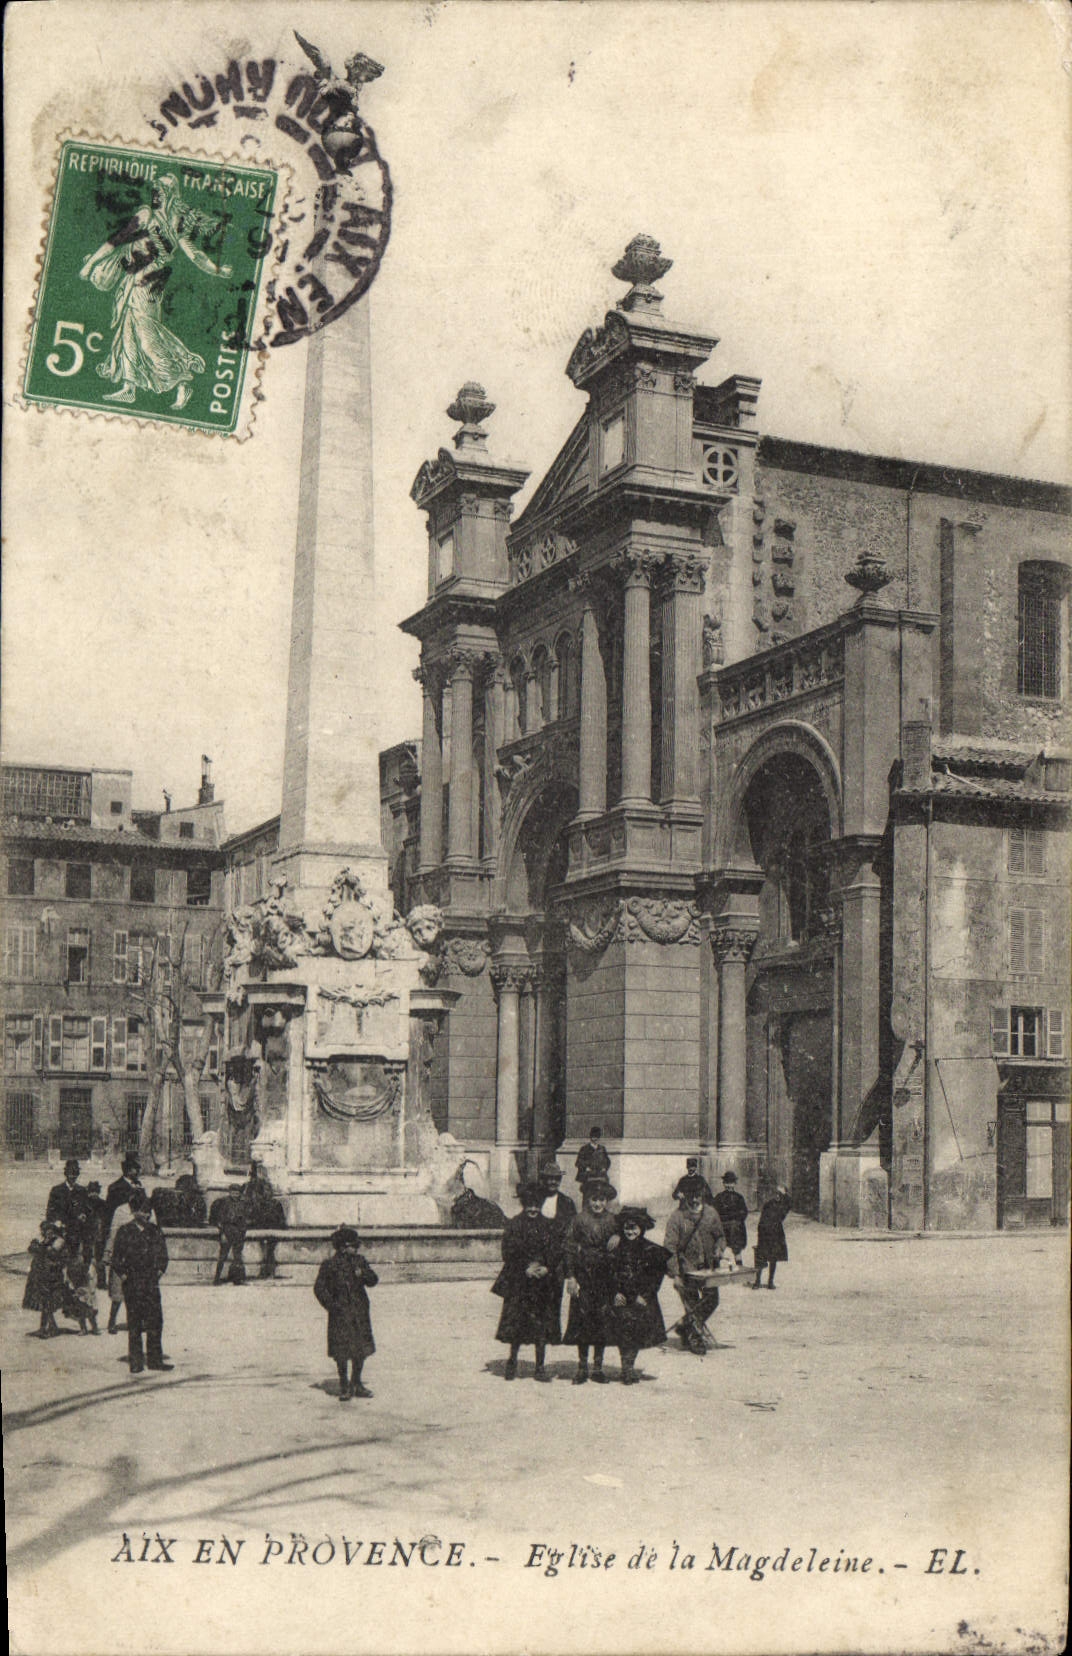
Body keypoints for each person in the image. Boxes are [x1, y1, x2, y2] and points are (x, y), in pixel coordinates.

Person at [78, 173, 232, 411]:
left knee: (147, 337)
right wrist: (90, 264)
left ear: (171, 195)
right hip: (132, 281)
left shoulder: (174, 225)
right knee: (128, 332)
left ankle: (182, 382)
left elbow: (196, 255)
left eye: (161, 190)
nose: (156, 194)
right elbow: (115, 241)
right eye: (155, 189)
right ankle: (129, 388)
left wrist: (217, 270)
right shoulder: (145, 215)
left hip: (149, 286)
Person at [491, 1181, 561, 1382]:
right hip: (520, 1282)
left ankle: (540, 1367)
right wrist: (525, 1268)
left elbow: (555, 1251)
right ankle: (512, 1361)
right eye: (529, 1204)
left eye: (536, 1204)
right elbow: (508, 1252)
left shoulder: (549, 1225)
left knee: (541, 1325)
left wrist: (547, 1267)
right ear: (523, 1204)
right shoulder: (514, 1224)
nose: (532, 1209)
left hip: (542, 1282)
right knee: (517, 1325)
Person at [604, 1207, 671, 1385]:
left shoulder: (650, 1249)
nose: (630, 1232)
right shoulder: (617, 1248)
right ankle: (626, 1368)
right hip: (621, 1297)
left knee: (636, 1332)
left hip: (641, 1298)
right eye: (627, 1228)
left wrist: (645, 1295)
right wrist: (615, 1292)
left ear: (641, 1228)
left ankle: (629, 1366)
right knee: (623, 1331)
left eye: (634, 1228)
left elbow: (656, 1277)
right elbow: (609, 1273)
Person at [562, 1177, 618, 1384]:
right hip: (583, 1274)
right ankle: (582, 1366)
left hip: (605, 1277)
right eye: (594, 1199)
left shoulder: (613, 1220)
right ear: (588, 1200)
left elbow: (631, 1235)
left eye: (602, 1199)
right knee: (582, 1320)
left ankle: (598, 1367)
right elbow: (568, 1248)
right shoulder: (578, 1220)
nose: (598, 1204)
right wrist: (571, 1276)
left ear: (607, 1201)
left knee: (602, 1320)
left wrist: (618, 1237)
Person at [313, 1227, 379, 1401]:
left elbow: (373, 1280)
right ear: (342, 1247)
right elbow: (319, 1288)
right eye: (352, 1246)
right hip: (340, 1312)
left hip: (359, 1311)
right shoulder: (329, 1265)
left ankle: (356, 1383)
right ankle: (344, 1384)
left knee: (361, 1349)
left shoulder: (360, 1262)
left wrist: (363, 1274)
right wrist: (332, 1306)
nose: (356, 1249)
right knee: (341, 1351)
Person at [110, 1190, 170, 1373]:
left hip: (151, 1282)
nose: (147, 1214)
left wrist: (159, 1270)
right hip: (133, 1283)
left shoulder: (155, 1231)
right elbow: (116, 1259)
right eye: (144, 1211)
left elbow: (163, 1255)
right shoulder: (125, 1231)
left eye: (149, 1211)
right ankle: (136, 1361)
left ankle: (155, 1360)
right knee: (134, 1323)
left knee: (155, 1322)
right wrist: (125, 1276)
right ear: (135, 1212)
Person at [664, 1176, 726, 1354]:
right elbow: (669, 1248)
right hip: (687, 1269)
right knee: (691, 1303)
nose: (695, 1199)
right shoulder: (677, 1217)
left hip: (708, 1268)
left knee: (712, 1300)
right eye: (691, 1194)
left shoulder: (711, 1213)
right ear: (684, 1196)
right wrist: (675, 1274)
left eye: (698, 1195)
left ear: (703, 1195)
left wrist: (719, 1249)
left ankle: (686, 1326)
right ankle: (695, 1338)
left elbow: (720, 1237)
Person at [23, 1220, 67, 1338]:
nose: (46, 1232)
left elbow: (51, 1253)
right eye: (44, 1230)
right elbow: (32, 1249)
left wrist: (38, 1246)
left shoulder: (59, 1241)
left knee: (48, 1301)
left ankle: (49, 1328)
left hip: (52, 1275)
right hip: (41, 1274)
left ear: (53, 1230)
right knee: (44, 1301)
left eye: (48, 1229)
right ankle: (47, 1327)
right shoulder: (45, 1240)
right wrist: (36, 1245)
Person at [244, 1162, 285, 1278]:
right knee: (265, 1250)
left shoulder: (274, 1203)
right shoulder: (251, 1190)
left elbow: (280, 1218)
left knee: (269, 1250)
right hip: (263, 1227)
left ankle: (267, 1269)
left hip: (271, 1229)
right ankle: (265, 1269)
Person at [46, 1159, 93, 1260]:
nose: (73, 1176)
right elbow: (50, 1212)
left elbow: (87, 1209)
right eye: (70, 1173)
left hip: (77, 1232)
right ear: (66, 1174)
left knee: (75, 1260)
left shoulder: (82, 1191)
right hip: (60, 1231)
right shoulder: (57, 1190)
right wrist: (57, 1221)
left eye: (75, 1173)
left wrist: (84, 1215)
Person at [753, 1187, 792, 1289]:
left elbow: (789, 1204)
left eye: (780, 1194)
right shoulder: (768, 1204)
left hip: (776, 1233)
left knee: (773, 1258)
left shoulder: (784, 1205)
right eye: (776, 1193)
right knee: (760, 1257)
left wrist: (785, 1194)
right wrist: (760, 1232)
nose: (777, 1196)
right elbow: (761, 1220)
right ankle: (757, 1281)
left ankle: (770, 1282)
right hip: (765, 1232)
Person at [212, 1187, 250, 1285]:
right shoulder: (224, 1203)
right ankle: (216, 1278)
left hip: (238, 1232)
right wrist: (223, 1234)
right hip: (227, 1230)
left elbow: (245, 1218)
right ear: (230, 1193)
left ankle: (237, 1279)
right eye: (233, 1193)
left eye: (237, 1193)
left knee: (237, 1257)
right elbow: (220, 1221)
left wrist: (243, 1231)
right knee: (223, 1256)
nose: (235, 1195)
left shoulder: (242, 1204)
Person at [712, 1170, 749, 1267]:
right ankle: (716, 1273)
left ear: (735, 1184)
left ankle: (740, 1271)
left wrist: (736, 1220)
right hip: (722, 1228)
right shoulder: (719, 1197)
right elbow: (714, 1213)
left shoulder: (739, 1197)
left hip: (735, 1229)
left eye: (731, 1183)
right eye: (727, 1183)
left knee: (737, 1251)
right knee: (718, 1250)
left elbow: (744, 1212)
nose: (729, 1185)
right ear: (724, 1183)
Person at [104, 1154, 143, 1229]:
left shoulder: (137, 1184)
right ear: (128, 1171)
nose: (139, 1172)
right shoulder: (115, 1187)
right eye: (136, 1169)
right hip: (121, 1226)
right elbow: (111, 1213)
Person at [83, 1180, 109, 1287]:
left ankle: (101, 1281)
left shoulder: (103, 1204)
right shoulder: (84, 1204)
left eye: (95, 1191)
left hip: (99, 1233)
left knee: (99, 1258)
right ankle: (84, 1280)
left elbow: (106, 1220)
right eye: (91, 1191)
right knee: (87, 1257)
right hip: (88, 1233)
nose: (94, 1193)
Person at [574, 1126, 611, 1190]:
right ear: (590, 1137)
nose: (595, 1139)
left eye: (597, 1137)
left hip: (600, 1174)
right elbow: (578, 1162)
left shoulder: (602, 1148)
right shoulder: (584, 1148)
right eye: (593, 1137)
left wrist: (604, 1168)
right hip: (588, 1175)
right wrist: (585, 1167)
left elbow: (607, 1161)